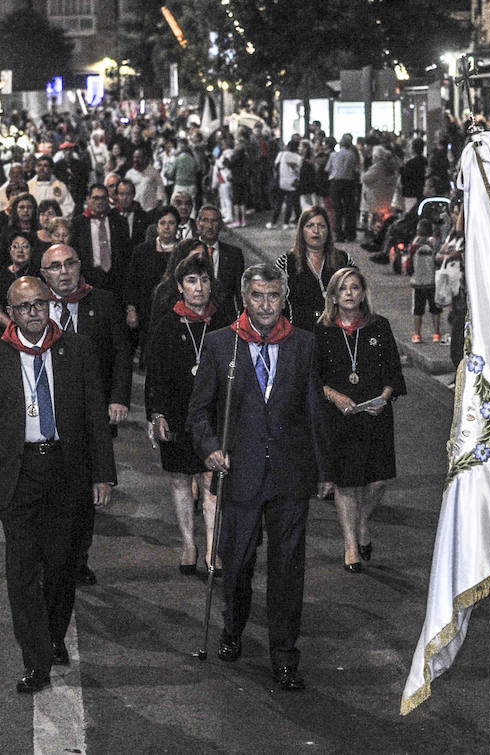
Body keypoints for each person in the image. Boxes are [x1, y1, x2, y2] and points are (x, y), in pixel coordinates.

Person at [0, 276, 115, 694]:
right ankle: (35, 659)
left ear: (50, 305)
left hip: (67, 472)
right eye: (24, 306)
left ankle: (54, 637)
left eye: (40, 304)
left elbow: (94, 417)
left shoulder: (77, 350)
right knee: (21, 572)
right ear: (10, 314)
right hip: (20, 475)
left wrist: (103, 474)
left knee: (62, 565)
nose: (34, 312)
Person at [187, 262, 329, 691]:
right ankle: (233, 626)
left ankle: (284, 655)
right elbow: (197, 413)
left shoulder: (303, 344)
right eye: (257, 296)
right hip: (239, 474)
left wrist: (325, 471)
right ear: (244, 299)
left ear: (283, 299)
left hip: (290, 476)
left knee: (288, 570)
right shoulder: (219, 345)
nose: (266, 305)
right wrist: (210, 448)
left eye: (273, 296)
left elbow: (313, 410)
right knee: (239, 564)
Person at [41, 243, 131, 586]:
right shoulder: (37, 307)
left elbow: (123, 351)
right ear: (44, 274)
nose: (64, 272)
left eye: (69, 264)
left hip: (93, 414)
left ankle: (79, 557)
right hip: (49, 413)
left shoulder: (103, 302)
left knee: (86, 492)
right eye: (55, 266)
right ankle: (52, 557)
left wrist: (118, 398)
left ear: (80, 266)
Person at [314, 266, 404, 572]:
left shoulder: (380, 327)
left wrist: (384, 397)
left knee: (377, 480)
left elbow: (393, 372)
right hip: (340, 417)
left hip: (375, 415)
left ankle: (363, 520)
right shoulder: (323, 330)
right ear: (334, 296)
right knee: (347, 482)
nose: (349, 294)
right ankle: (351, 544)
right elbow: (315, 378)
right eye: (343, 289)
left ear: (364, 292)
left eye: (355, 287)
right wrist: (336, 397)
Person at [144, 249, 221, 575]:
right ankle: (189, 542)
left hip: (212, 414)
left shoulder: (224, 321)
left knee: (211, 480)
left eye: (204, 280)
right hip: (176, 412)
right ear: (179, 286)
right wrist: (156, 414)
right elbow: (154, 374)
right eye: (191, 281)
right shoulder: (165, 324)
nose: (199, 287)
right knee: (179, 480)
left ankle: (212, 547)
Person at [274, 206, 349, 333]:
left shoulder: (343, 259)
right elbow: (274, 301)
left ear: (328, 231)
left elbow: (357, 295)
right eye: (310, 226)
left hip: (338, 332)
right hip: (299, 334)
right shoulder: (286, 262)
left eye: (321, 226)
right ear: (301, 231)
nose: (316, 231)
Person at [124, 205, 180, 341]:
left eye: (171, 223)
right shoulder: (142, 251)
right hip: (147, 315)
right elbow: (132, 282)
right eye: (163, 223)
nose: (167, 227)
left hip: (177, 314)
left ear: (177, 226)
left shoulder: (183, 251)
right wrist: (131, 310)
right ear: (156, 226)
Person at [69, 182, 130, 294]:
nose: (100, 202)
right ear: (88, 199)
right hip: (89, 280)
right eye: (95, 198)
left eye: (103, 198)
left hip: (116, 280)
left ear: (108, 199)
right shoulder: (78, 224)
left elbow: (126, 253)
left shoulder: (119, 222)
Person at [195, 205, 246, 320]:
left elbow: (240, 293)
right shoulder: (187, 251)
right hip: (194, 318)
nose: (210, 226)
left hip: (225, 319)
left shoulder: (234, 255)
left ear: (221, 225)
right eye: (205, 220)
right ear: (198, 224)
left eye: (214, 221)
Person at [0, 230, 39, 333]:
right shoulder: (0, 277)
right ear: (9, 250)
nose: (20, 250)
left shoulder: (38, 273)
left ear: (32, 250)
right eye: (15, 247)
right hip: (9, 330)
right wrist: (15, 329)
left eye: (25, 246)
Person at [406, 217, 443, 344]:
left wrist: (411, 274)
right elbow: (438, 261)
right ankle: (436, 334)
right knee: (435, 309)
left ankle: (417, 334)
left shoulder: (414, 246)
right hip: (432, 283)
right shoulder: (434, 245)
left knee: (417, 310)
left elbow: (409, 265)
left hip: (418, 283)